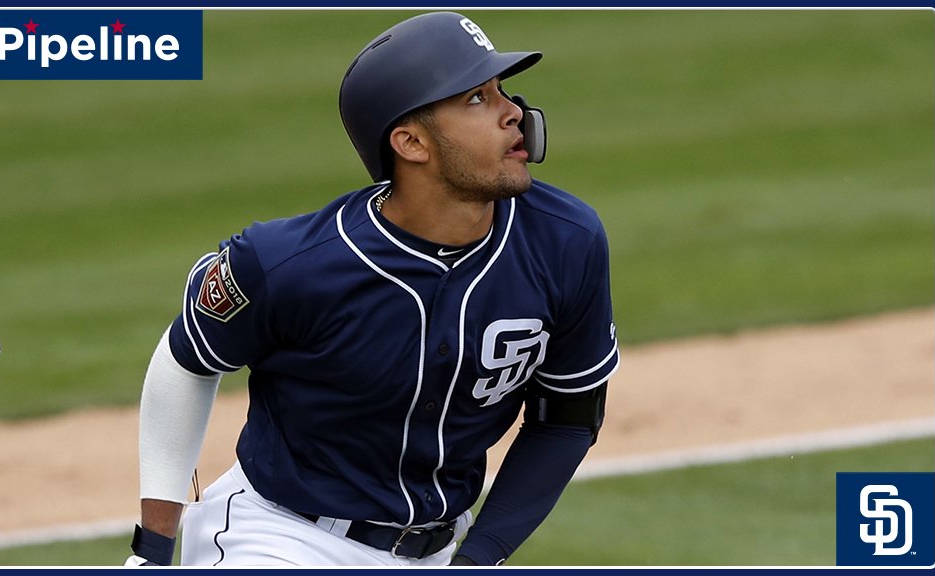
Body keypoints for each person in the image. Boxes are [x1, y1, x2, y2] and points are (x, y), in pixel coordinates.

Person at [125, 10, 620, 567]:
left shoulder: (566, 241)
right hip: (283, 539)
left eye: (503, 91)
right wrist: (153, 550)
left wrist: (480, 557)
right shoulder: (291, 263)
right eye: (478, 98)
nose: (515, 113)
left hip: (441, 549)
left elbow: (567, 420)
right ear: (411, 142)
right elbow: (187, 358)